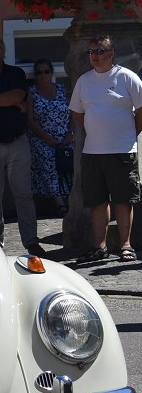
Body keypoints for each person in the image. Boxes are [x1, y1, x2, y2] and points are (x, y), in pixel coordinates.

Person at [70, 35, 142, 263]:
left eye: (99, 51)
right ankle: (99, 246)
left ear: (111, 54)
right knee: (97, 201)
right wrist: (96, 129)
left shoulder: (127, 78)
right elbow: (78, 113)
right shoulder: (84, 81)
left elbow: (141, 111)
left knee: (123, 200)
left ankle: (126, 246)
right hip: (93, 151)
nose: (94, 56)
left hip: (122, 149)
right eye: (91, 52)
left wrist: (129, 134)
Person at [0, 34, 41, 254]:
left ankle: (31, 240)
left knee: (23, 193)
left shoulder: (16, 73)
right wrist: (8, 102)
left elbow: (17, 95)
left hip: (17, 142)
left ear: (0, 52)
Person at [26, 58, 73, 217]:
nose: (43, 75)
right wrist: (46, 137)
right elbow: (30, 120)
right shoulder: (32, 92)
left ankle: (72, 198)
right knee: (47, 157)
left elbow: (72, 112)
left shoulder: (61, 89)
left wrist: (70, 134)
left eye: (46, 71)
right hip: (42, 138)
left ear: (51, 73)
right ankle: (59, 202)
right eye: (39, 72)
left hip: (64, 136)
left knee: (71, 158)